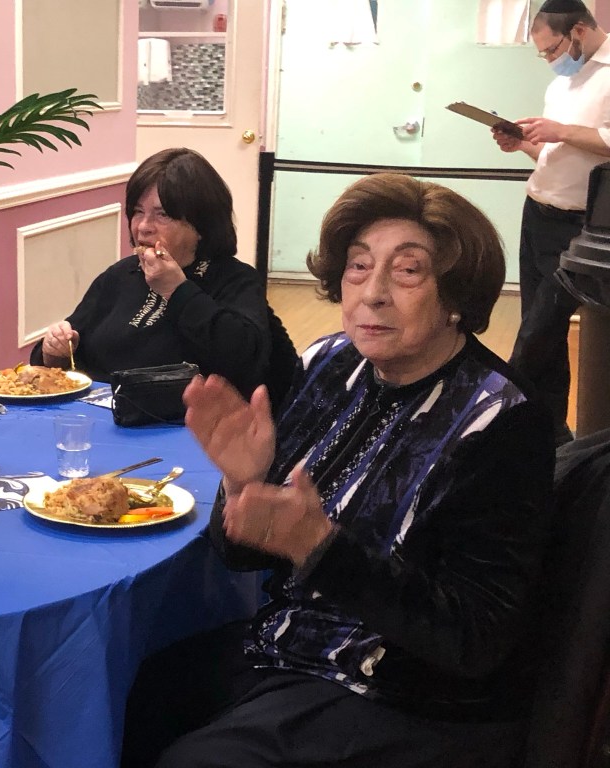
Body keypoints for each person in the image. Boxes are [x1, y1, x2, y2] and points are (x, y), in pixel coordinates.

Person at [120, 173, 555, 768]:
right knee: (121, 695)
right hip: (295, 644)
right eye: (358, 266)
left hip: (412, 694)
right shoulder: (330, 364)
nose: (373, 293)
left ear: (457, 297)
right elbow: (244, 555)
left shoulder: (501, 420)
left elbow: (474, 638)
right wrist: (244, 483)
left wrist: (319, 547)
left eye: (407, 271)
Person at [30, 147, 297, 404]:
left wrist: (176, 290)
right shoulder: (120, 275)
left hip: (182, 426)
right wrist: (54, 353)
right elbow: (65, 352)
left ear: (201, 225)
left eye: (163, 215)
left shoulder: (234, 279)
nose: (144, 227)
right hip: (96, 417)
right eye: (138, 212)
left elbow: (244, 362)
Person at [491, 0, 610, 445]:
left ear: (578, 30)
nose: (548, 60)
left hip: (583, 225)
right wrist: (521, 144)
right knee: (544, 333)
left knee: (535, 335)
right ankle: (549, 436)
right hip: (539, 212)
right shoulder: (562, 83)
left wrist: (561, 131)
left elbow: (575, 139)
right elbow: (557, 156)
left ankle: (500, 424)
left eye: (551, 49)